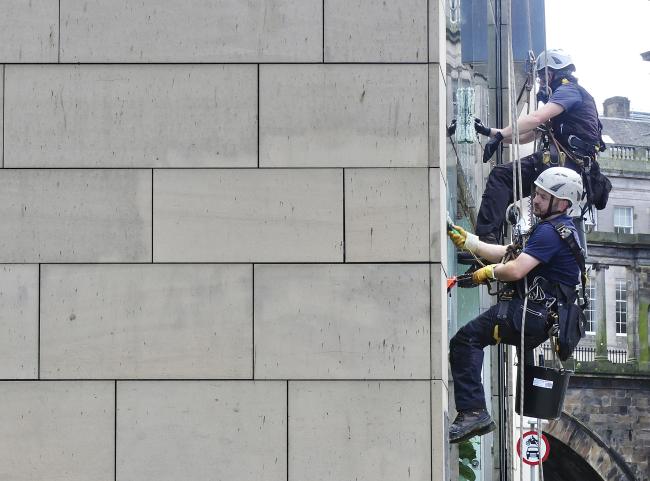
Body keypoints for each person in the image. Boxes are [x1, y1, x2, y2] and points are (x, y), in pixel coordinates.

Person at [446, 167, 583, 444]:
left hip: (528, 314)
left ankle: (474, 411)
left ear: (563, 203)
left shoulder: (552, 233)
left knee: (465, 341)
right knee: (469, 340)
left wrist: (488, 272)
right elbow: (511, 253)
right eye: (537, 194)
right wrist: (470, 242)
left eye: (544, 197)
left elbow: (516, 269)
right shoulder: (557, 230)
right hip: (535, 316)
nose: (535, 200)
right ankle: (474, 410)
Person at [472, 48, 605, 244]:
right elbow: (530, 135)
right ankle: (492, 240)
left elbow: (535, 118)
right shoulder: (567, 103)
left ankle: (486, 241)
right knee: (504, 187)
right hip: (567, 165)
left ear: (550, 74)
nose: (541, 84)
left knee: (501, 177)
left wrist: (501, 134)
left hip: (561, 164)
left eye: (542, 79)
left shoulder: (568, 91)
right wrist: (492, 133)